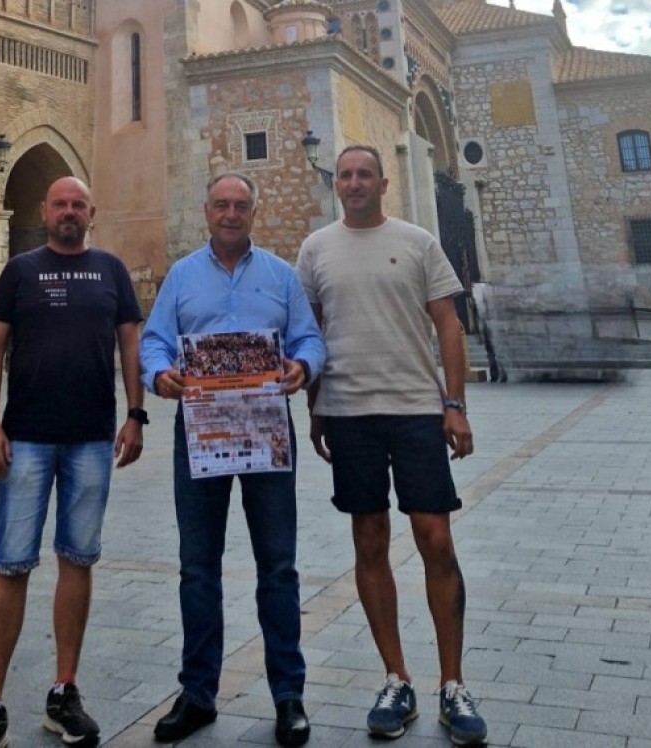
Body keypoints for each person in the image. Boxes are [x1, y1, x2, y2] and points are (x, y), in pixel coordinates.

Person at [295, 145, 488, 746]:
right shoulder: (315, 249)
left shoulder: (419, 241)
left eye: (362, 175)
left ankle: (453, 684)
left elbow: (448, 325)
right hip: (349, 412)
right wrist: (316, 404)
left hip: (415, 411)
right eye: (344, 175)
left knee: (435, 537)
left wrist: (453, 405)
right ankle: (395, 678)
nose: (352, 183)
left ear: (382, 183)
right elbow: (311, 330)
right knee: (369, 539)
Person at [140, 172, 325, 747]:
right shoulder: (181, 277)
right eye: (221, 204)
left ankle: (288, 695)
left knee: (279, 566)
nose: (230, 213)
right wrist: (159, 374)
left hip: (267, 431)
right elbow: (154, 340)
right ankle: (198, 693)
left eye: (240, 205)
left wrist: (302, 367)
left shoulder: (281, 276)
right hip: (201, 431)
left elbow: (310, 339)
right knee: (198, 566)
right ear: (206, 211)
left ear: (253, 212)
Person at [0, 176, 147, 748]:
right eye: (60, 204)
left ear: (92, 213)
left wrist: (136, 415)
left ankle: (63, 692)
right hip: (26, 440)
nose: (69, 212)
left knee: (78, 559)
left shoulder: (112, 272)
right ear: (45, 212)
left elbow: (131, 344)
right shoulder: (20, 270)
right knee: (11, 563)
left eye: (78, 206)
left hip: (92, 440)